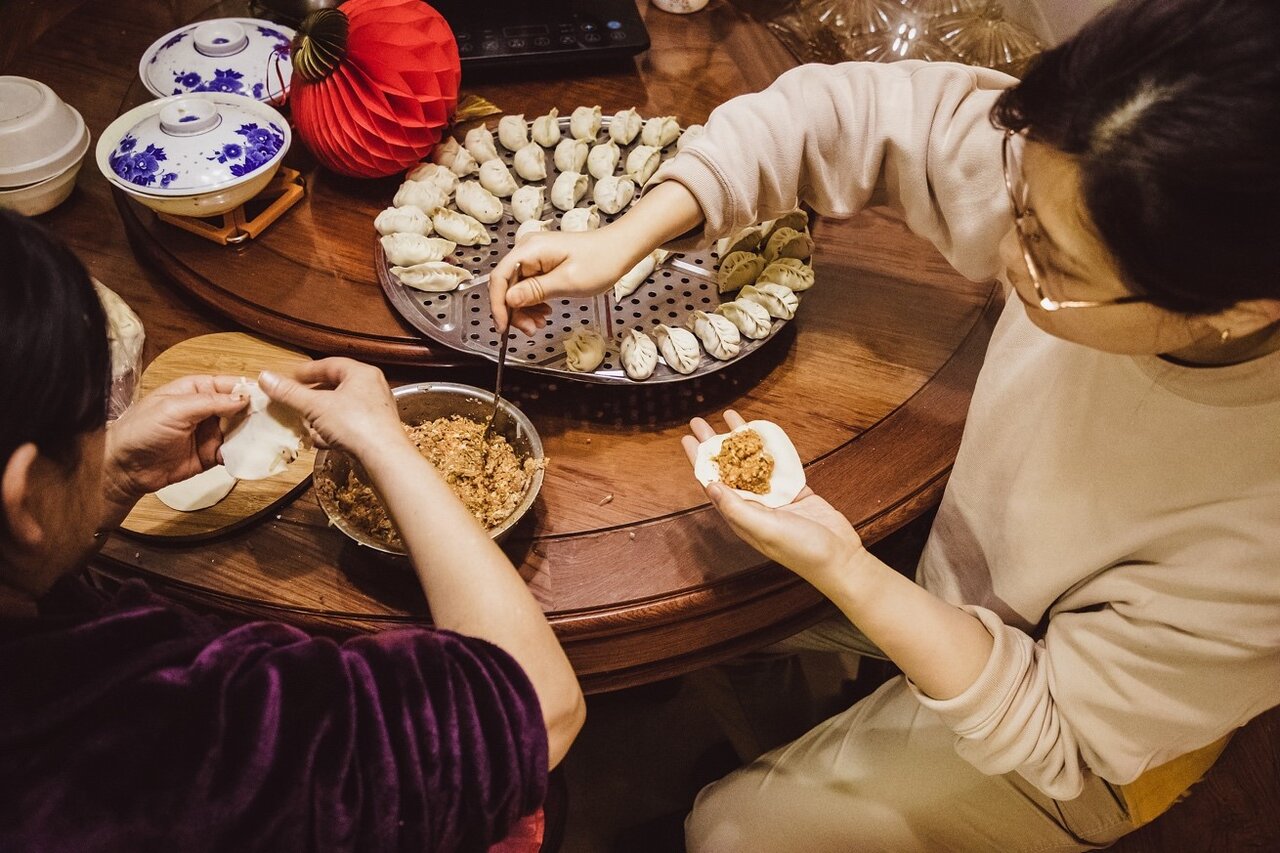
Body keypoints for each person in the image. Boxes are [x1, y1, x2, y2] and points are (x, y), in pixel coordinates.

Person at [488, 0, 1280, 849]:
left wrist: (845, 568)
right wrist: (637, 231)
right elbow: (851, 111)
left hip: (1083, 737)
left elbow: (1059, 732)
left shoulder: (1255, 531)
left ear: (1238, 311)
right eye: (1016, 197)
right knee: (725, 594)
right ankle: (794, 736)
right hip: (951, 567)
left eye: (1050, 263)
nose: (1006, 256)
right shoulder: (1087, 179)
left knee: (735, 827)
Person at [0, 208, 585, 852]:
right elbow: (540, 707)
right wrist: (383, 444)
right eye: (95, 421)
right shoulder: (154, 742)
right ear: (23, 498)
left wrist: (107, 479)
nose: (105, 432)